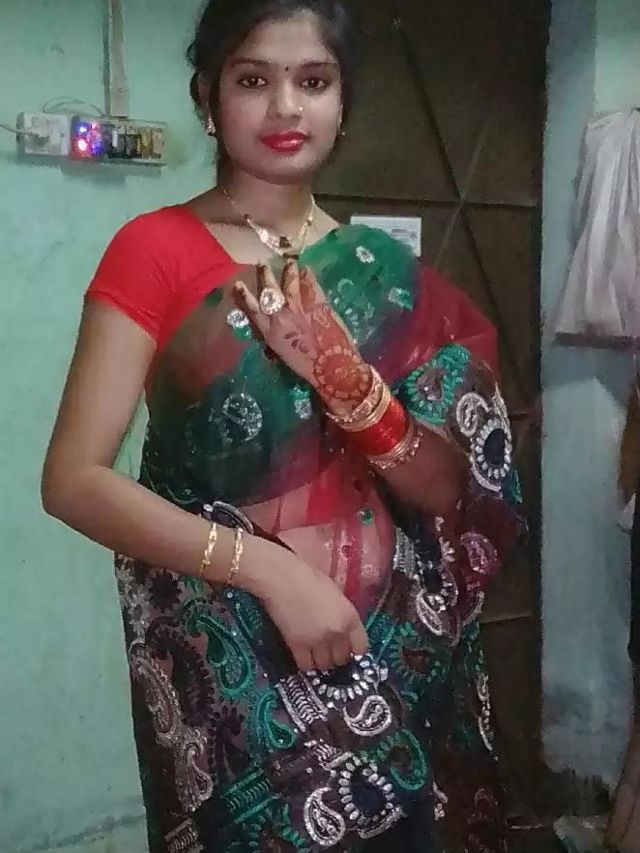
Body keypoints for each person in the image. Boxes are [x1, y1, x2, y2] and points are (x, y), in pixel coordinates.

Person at [42, 1, 523, 850]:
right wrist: (273, 574)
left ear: (344, 103)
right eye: (254, 79)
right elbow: (73, 480)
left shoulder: (383, 272)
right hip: (240, 695)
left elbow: (450, 489)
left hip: (393, 668)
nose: (286, 106)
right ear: (208, 97)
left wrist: (349, 383)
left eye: (314, 81)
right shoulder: (155, 249)